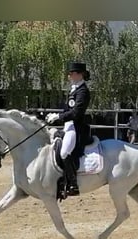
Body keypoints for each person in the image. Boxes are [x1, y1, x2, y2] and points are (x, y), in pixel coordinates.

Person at [46, 62, 91, 196]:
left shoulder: (83, 91)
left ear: (79, 74)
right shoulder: (74, 89)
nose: (69, 76)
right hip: (68, 125)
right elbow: (68, 109)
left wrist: (58, 117)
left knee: (65, 152)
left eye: (72, 73)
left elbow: (76, 113)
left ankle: (73, 184)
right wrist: (54, 116)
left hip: (76, 128)